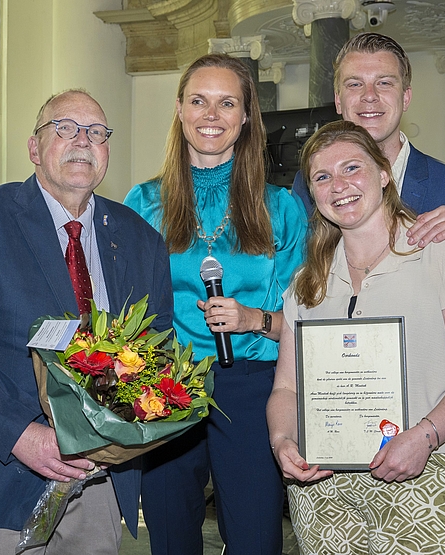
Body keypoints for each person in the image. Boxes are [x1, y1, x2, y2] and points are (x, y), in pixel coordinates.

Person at [0, 89, 173, 555]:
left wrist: (125, 431)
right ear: (34, 148)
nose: (82, 141)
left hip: (102, 480)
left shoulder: (142, 239)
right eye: (64, 128)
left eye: (96, 133)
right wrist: (20, 434)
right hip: (2, 471)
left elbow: (156, 354)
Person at [268, 119, 445, 554]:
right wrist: (282, 440)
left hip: (429, 472)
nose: (339, 185)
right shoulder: (306, 284)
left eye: (352, 168)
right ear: (313, 195)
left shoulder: (444, 254)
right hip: (324, 488)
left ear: (383, 174)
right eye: (322, 176)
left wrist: (425, 436)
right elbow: (286, 387)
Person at [124, 53, 307, 555]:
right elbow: (122, 308)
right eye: (199, 101)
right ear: (180, 109)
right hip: (165, 382)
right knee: (171, 537)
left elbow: (304, 317)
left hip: (251, 382)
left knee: (254, 538)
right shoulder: (142, 203)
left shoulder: (281, 207)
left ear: (247, 116)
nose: (211, 114)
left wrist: (254, 319)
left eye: (227, 103)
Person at [291, 32, 445, 307]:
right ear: (338, 100)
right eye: (355, 84)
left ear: (405, 97)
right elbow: (297, 279)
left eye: (384, 83)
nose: (369, 96)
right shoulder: (310, 187)